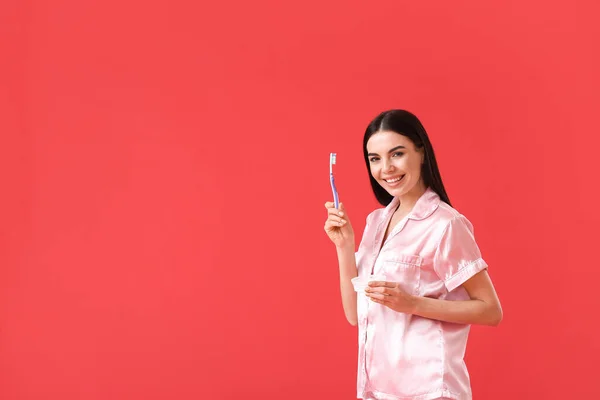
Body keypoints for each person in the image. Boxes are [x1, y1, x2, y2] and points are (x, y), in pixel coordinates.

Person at [323, 110, 503, 400]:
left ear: (421, 152)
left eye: (397, 154)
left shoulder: (445, 224)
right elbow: (355, 315)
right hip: (378, 389)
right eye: (375, 159)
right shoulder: (376, 223)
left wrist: (412, 303)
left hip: (429, 390)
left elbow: (490, 311)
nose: (386, 168)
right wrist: (345, 246)